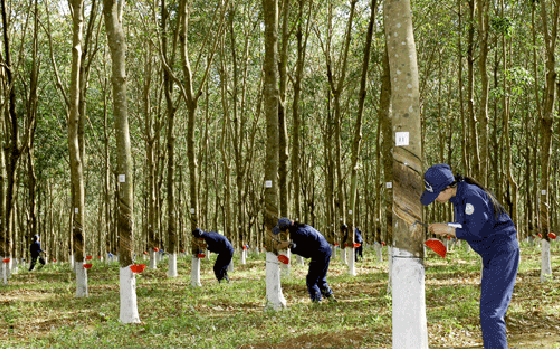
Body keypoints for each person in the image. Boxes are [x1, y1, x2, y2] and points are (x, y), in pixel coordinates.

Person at [421, 163, 518, 349]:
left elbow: (478, 231)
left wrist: (449, 229)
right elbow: (472, 223)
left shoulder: (471, 196)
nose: (435, 200)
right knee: (488, 312)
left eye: (436, 195)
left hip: (502, 252)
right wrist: (448, 228)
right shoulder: (460, 196)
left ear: (447, 188)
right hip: (493, 254)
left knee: (491, 313)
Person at [273, 218, 336, 303]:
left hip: (320, 253)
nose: (283, 233)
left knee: (311, 280)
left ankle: (317, 301)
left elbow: (306, 252)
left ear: (287, 230)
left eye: (282, 231)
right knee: (320, 279)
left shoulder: (298, 233)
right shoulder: (301, 228)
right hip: (325, 251)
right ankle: (331, 298)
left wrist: (290, 246)